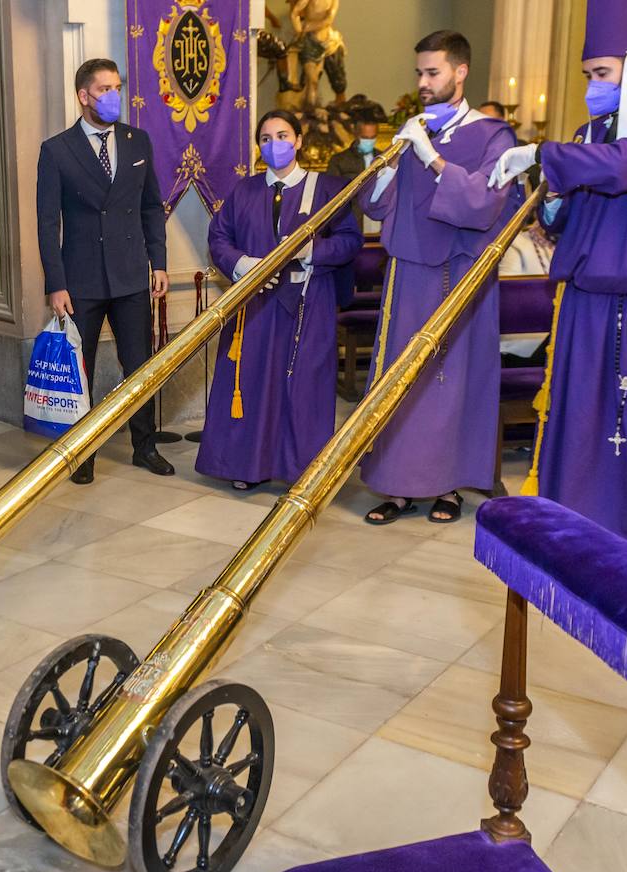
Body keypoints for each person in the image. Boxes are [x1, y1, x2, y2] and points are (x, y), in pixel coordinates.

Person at [493, 0, 627, 564]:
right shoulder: (586, 133)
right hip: (586, 298)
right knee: (583, 411)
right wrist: (556, 199)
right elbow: (565, 220)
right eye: (588, 75)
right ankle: (576, 519)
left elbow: (621, 167)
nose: (592, 85)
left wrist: (543, 153)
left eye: (603, 74)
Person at [357, 30, 516, 525]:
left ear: (460, 71)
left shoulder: (493, 136)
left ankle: (448, 487)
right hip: (407, 274)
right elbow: (378, 204)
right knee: (400, 379)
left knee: (449, 382)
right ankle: (395, 485)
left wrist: (431, 156)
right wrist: (382, 164)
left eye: (433, 73)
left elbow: (484, 202)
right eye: (419, 74)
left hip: (458, 276)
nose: (423, 83)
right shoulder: (418, 129)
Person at [197, 111, 361, 489]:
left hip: (308, 299)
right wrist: (241, 263)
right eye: (266, 138)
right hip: (255, 303)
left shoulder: (328, 188)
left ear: (299, 140)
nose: (274, 145)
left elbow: (350, 241)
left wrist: (311, 249)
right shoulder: (245, 190)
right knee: (252, 382)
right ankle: (248, 467)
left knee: (304, 385)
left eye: (283, 135)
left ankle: (301, 471)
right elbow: (219, 237)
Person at [36, 57, 174, 486]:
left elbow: (152, 205)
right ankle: (84, 451)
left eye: (117, 87)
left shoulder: (138, 142)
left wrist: (160, 262)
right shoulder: (57, 149)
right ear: (83, 96)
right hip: (81, 281)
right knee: (83, 368)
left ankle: (144, 444)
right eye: (105, 89)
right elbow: (47, 222)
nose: (114, 96)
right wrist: (55, 284)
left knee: (140, 364)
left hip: (132, 274)